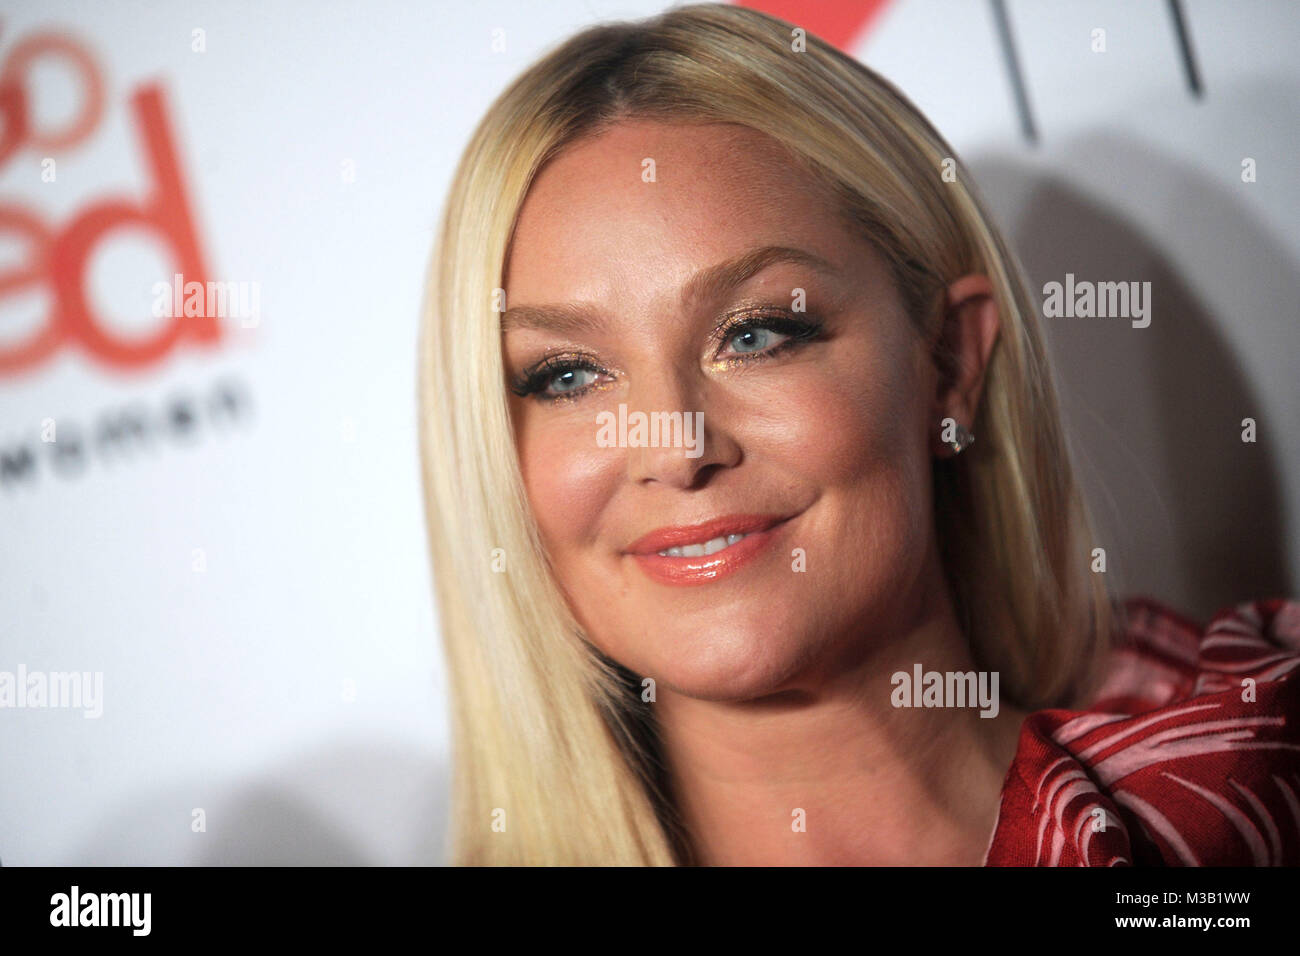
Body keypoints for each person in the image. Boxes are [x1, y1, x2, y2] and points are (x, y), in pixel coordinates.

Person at [416, 2, 1300, 865]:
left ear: (949, 364)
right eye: (567, 376)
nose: (677, 448)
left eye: (756, 332)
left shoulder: (1255, 787)